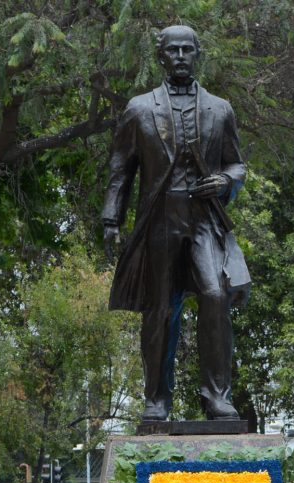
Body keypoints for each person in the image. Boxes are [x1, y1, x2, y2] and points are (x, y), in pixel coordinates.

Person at [103, 24, 249, 422]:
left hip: (204, 220)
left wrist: (226, 181)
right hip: (159, 219)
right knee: (161, 309)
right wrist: (112, 219)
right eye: (173, 50)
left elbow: (237, 165)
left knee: (215, 295)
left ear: (197, 53)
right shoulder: (139, 109)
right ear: (161, 56)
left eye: (187, 49)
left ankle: (217, 396)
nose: (181, 56)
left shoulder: (220, 109)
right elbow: (120, 169)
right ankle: (156, 399)